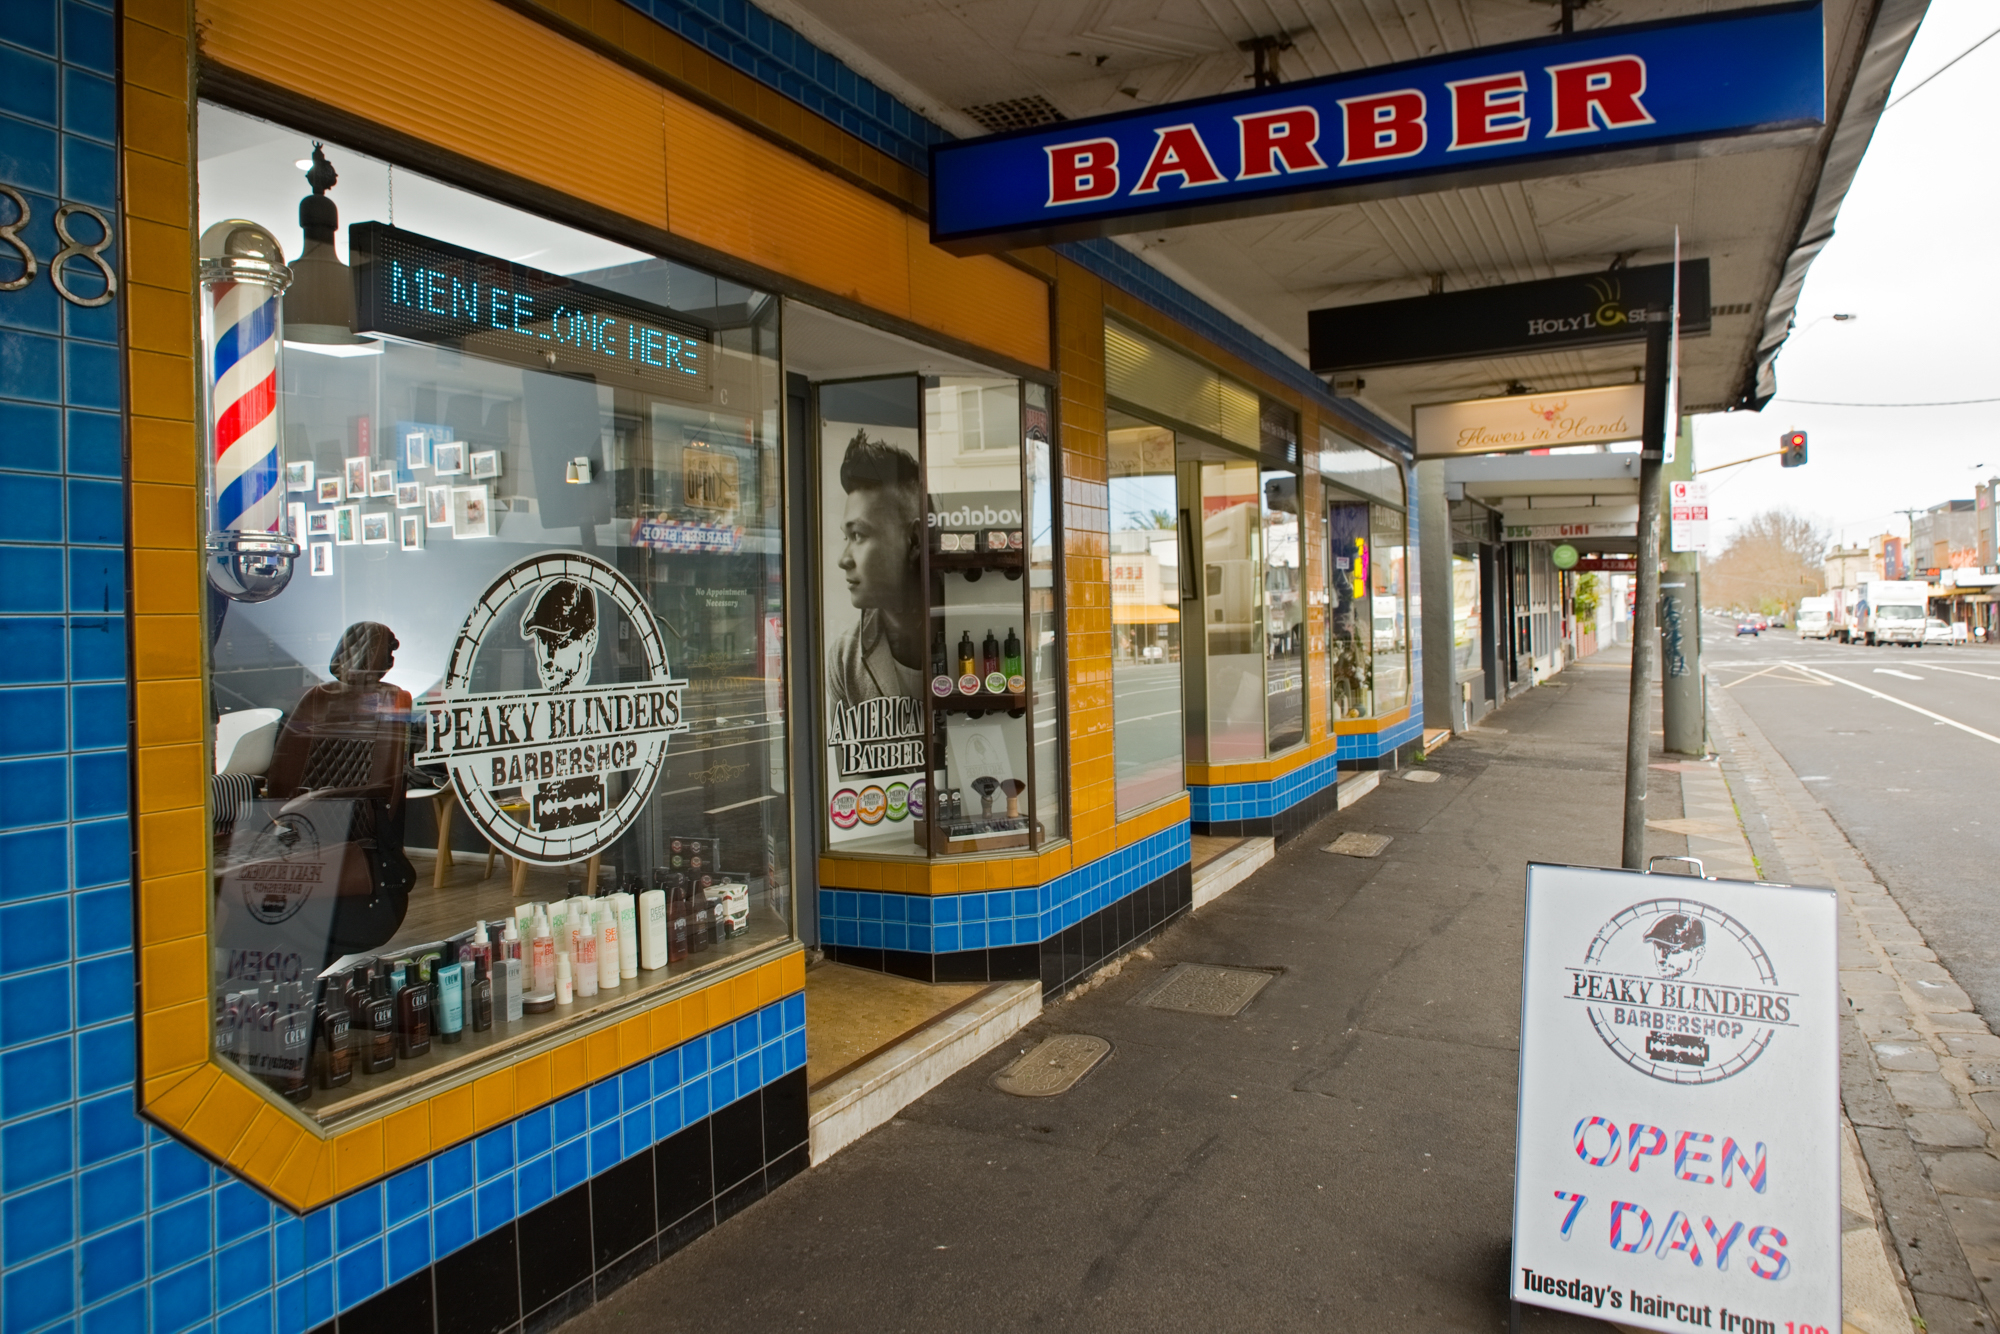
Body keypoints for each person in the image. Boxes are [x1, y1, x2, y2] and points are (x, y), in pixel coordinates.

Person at [828, 431, 925, 717]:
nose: (843, 559)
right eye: (846, 537)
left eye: (858, 535)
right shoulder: (845, 659)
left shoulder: (957, 628)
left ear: (915, 541)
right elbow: (848, 761)